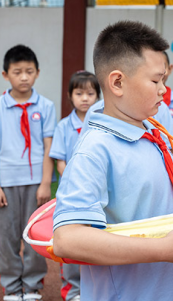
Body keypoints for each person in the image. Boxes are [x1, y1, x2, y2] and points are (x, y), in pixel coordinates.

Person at [52, 20, 173, 301]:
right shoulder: (94, 149)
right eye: (156, 80)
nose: (164, 89)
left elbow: (135, 186)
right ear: (117, 82)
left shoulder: (148, 130)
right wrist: (164, 249)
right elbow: (67, 239)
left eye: (164, 80)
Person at [0, 45, 55, 301]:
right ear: (5, 75)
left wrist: (46, 183)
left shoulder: (46, 106)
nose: (24, 77)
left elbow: (49, 147)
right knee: (7, 239)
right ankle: (12, 287)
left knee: (34, 236)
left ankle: (32, 285)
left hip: (36, 184)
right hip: (6, 183)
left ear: (37, 73)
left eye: (29, 71)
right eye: (17, 72)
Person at [49, 71, 101, 301]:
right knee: (70, 239)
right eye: (79, 93)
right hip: (71, 195)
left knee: (95, 241)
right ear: (70, 96)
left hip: (97, 194)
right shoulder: (63, 126)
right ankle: (72, 290)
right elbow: (60, 160)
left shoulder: (101, 124)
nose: (85, 98)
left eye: (90, 93)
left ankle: (94, 288)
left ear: (98, 96)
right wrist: (75, 179)